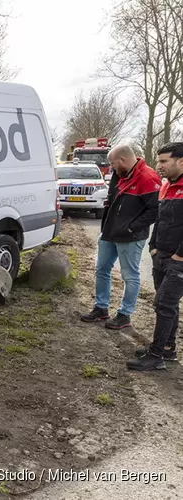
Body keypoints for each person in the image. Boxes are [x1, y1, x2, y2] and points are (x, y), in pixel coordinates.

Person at [81, 145, 160, 329]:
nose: (111, 168)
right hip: (109, 233)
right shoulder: (120, 174)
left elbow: (155, 210)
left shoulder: (148, 178)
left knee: (129, 275)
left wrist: (131, 228)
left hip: (130, 237)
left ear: (123, 160)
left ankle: (125, 314)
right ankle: (101, 308)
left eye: (113, 163)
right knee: (101, 269)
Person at [127, 142, 183, 370]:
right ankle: (168, 348)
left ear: (181, 161)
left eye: (163, 161)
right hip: (161, 256)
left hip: (178, 261)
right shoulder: (165, 186)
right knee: (168, 305)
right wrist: (153, 247)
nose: (158, 166)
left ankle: (156, 356)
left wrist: (179, 257)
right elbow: (159, 220)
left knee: (163, 303)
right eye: (158, 161)